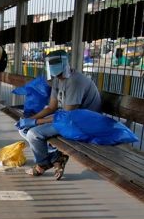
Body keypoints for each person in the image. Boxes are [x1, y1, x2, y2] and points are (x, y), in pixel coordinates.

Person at [17, 50, 101, 180]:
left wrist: (36, 122)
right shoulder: (58, 80)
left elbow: (68, 116)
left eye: (55, 62)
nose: (52, 66)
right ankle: (57, 157)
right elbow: (52, 107)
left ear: (65, 62)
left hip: (84, 124)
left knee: (34, 134)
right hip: (70, 120)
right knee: (24, 129)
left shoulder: (74, 81)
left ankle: (43, 164)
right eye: (50, 63)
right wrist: (29, 120)